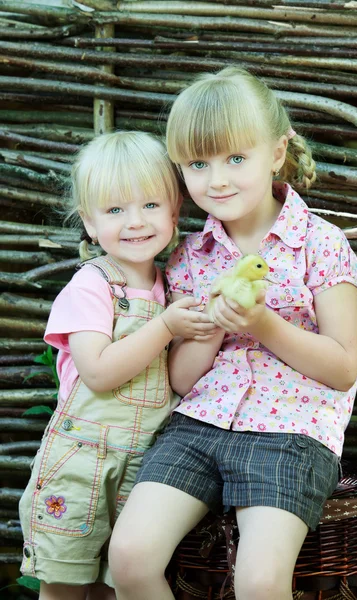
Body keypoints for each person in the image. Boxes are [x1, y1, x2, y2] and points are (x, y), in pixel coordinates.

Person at [109, 68, 357, 600]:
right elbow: (181, 380)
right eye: (198, 164)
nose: (216, 180)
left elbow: (342, 368)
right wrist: (205, 331)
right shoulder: (187, 258)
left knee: (260, 581)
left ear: (276, 153)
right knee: (129, 558)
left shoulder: (320, 243)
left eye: (235, 159)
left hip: (292, 432)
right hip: (198, 424)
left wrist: (262, 323)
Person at [18, 131, 217, 600]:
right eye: (114, 210)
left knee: (118, 584)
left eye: (150, 205)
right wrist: (167, 326)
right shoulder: (91, 286)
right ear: (88, 223)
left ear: (175, 211)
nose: (135, 222)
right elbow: (100, 372)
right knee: (63, 584)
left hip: (142, 459)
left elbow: (173, 380)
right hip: (82, 463)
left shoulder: (171, 284)